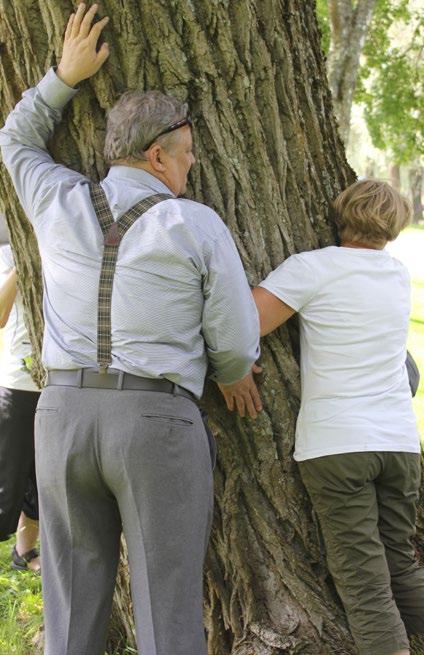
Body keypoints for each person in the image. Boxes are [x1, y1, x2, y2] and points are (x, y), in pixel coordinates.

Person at [0, 4, 261, 655]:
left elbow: (14, 140)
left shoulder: (56, 199)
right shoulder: (194, 223)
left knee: (71, 606)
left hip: (59, 417)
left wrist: (63, 77)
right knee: (166, 610)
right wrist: (232, 374)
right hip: (154, 423)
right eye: (188, 154)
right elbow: (231, 336)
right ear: (156, 154)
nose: (192, 167)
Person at [251, 179, 424, 655]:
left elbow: (244, 323)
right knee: (401, 563)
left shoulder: (312, 268)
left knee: (363, 580)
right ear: (393, 228)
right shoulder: (396, 274)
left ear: (339, 214)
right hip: (398, 443)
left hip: (339, 446)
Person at [0, 215, 41, 573]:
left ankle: (23, 552)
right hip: (17, 384)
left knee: (42, 481)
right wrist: (21, 263)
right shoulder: (6, 254)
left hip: (55, 384)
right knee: (7, 484)